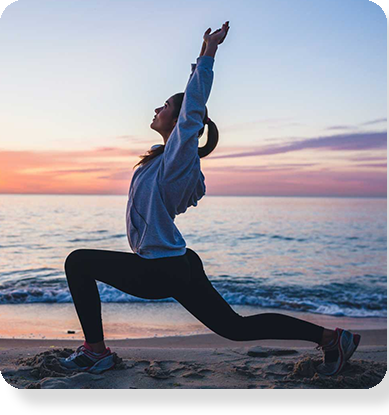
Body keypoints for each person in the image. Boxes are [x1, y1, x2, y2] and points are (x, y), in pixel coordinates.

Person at [61, 22, 360, 377]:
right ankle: (332, 338)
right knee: (235, 328)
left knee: (78, 262)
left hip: (162, 268)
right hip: (176, 262)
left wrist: (208, 52)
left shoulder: (178, 158)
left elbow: (193, 109)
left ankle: (96, 353)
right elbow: (187, 119)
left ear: (182, 120)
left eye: (166, 106)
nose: (158, 108)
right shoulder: (162, 158)